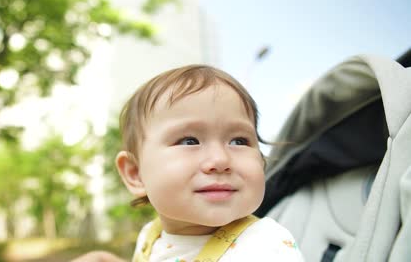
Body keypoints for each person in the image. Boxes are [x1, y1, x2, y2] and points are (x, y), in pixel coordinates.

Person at [74, 64, 303, 261]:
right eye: (189, 141)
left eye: (239, 141)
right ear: (136, 174)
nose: (220, 160)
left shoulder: (264, 247)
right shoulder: (151, 236)